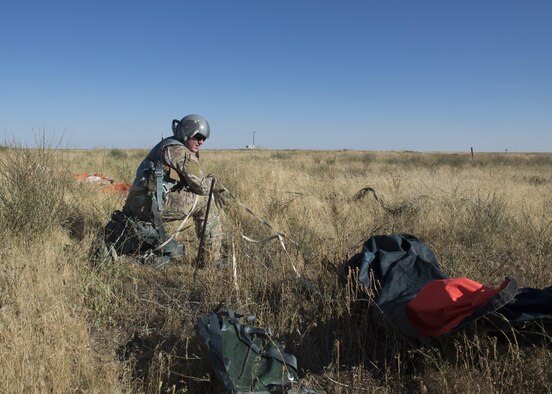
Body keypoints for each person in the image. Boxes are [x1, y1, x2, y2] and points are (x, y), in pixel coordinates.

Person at [123, 114, 224, 267]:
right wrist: (213, 182)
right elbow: (202, 187)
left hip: (140, 203)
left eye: (204, 138)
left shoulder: (168, 144)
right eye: (198, 136)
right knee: (205, 203)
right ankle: (210, 261)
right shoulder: (178, 150)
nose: (201, 141)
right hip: (149, 203)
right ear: (186, 133)